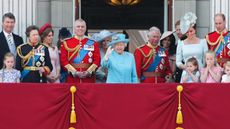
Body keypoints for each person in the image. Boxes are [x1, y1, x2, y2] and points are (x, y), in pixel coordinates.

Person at [60, 19, 101, 83]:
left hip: (88, 79)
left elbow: (97, 60)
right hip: (72, 79)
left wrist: (88, 72)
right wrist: (75, 72)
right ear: (74, 28)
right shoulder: (66, 43)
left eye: (82, 26)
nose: (80, 28)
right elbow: (63, 61)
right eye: (78, 26)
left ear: (85, 28)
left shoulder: (93, 43)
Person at [176, 12, 208, 82]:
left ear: (195, 30)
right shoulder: (181, 43)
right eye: (187, 32)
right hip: (186, 73)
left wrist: (202, 70)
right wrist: (186, 68)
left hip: (200, 72)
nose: (189, 34)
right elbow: (178, 61)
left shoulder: (203, 42)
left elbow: (205, 59)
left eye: (191, 31)